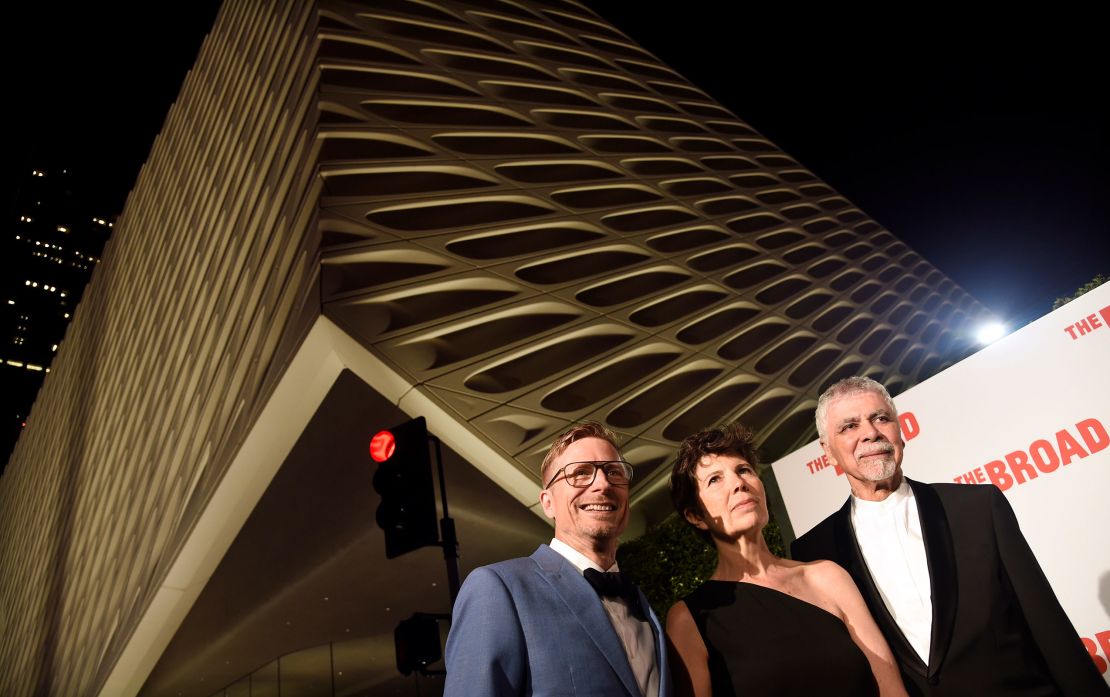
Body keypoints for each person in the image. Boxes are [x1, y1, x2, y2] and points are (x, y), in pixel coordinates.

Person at [792, 376, 1108, 696]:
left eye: (881, 418)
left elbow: (1048, 626)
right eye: (849, 427)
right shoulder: (813, 553)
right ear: (828, 451)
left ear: (900, 431)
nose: (870, 433)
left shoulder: (978, 508)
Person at [666, 421, 908, 697]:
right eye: (714, 480)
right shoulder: (689, 620)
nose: (738, 483)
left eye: (743, 470)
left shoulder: (827, 577)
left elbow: (890, 687)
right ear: (695, 516)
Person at [444, 421, 672, 697]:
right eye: (580, 473)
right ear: (547, 502)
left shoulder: (643, 605)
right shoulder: (498, 588)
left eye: (614, 472)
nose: (602, 484)